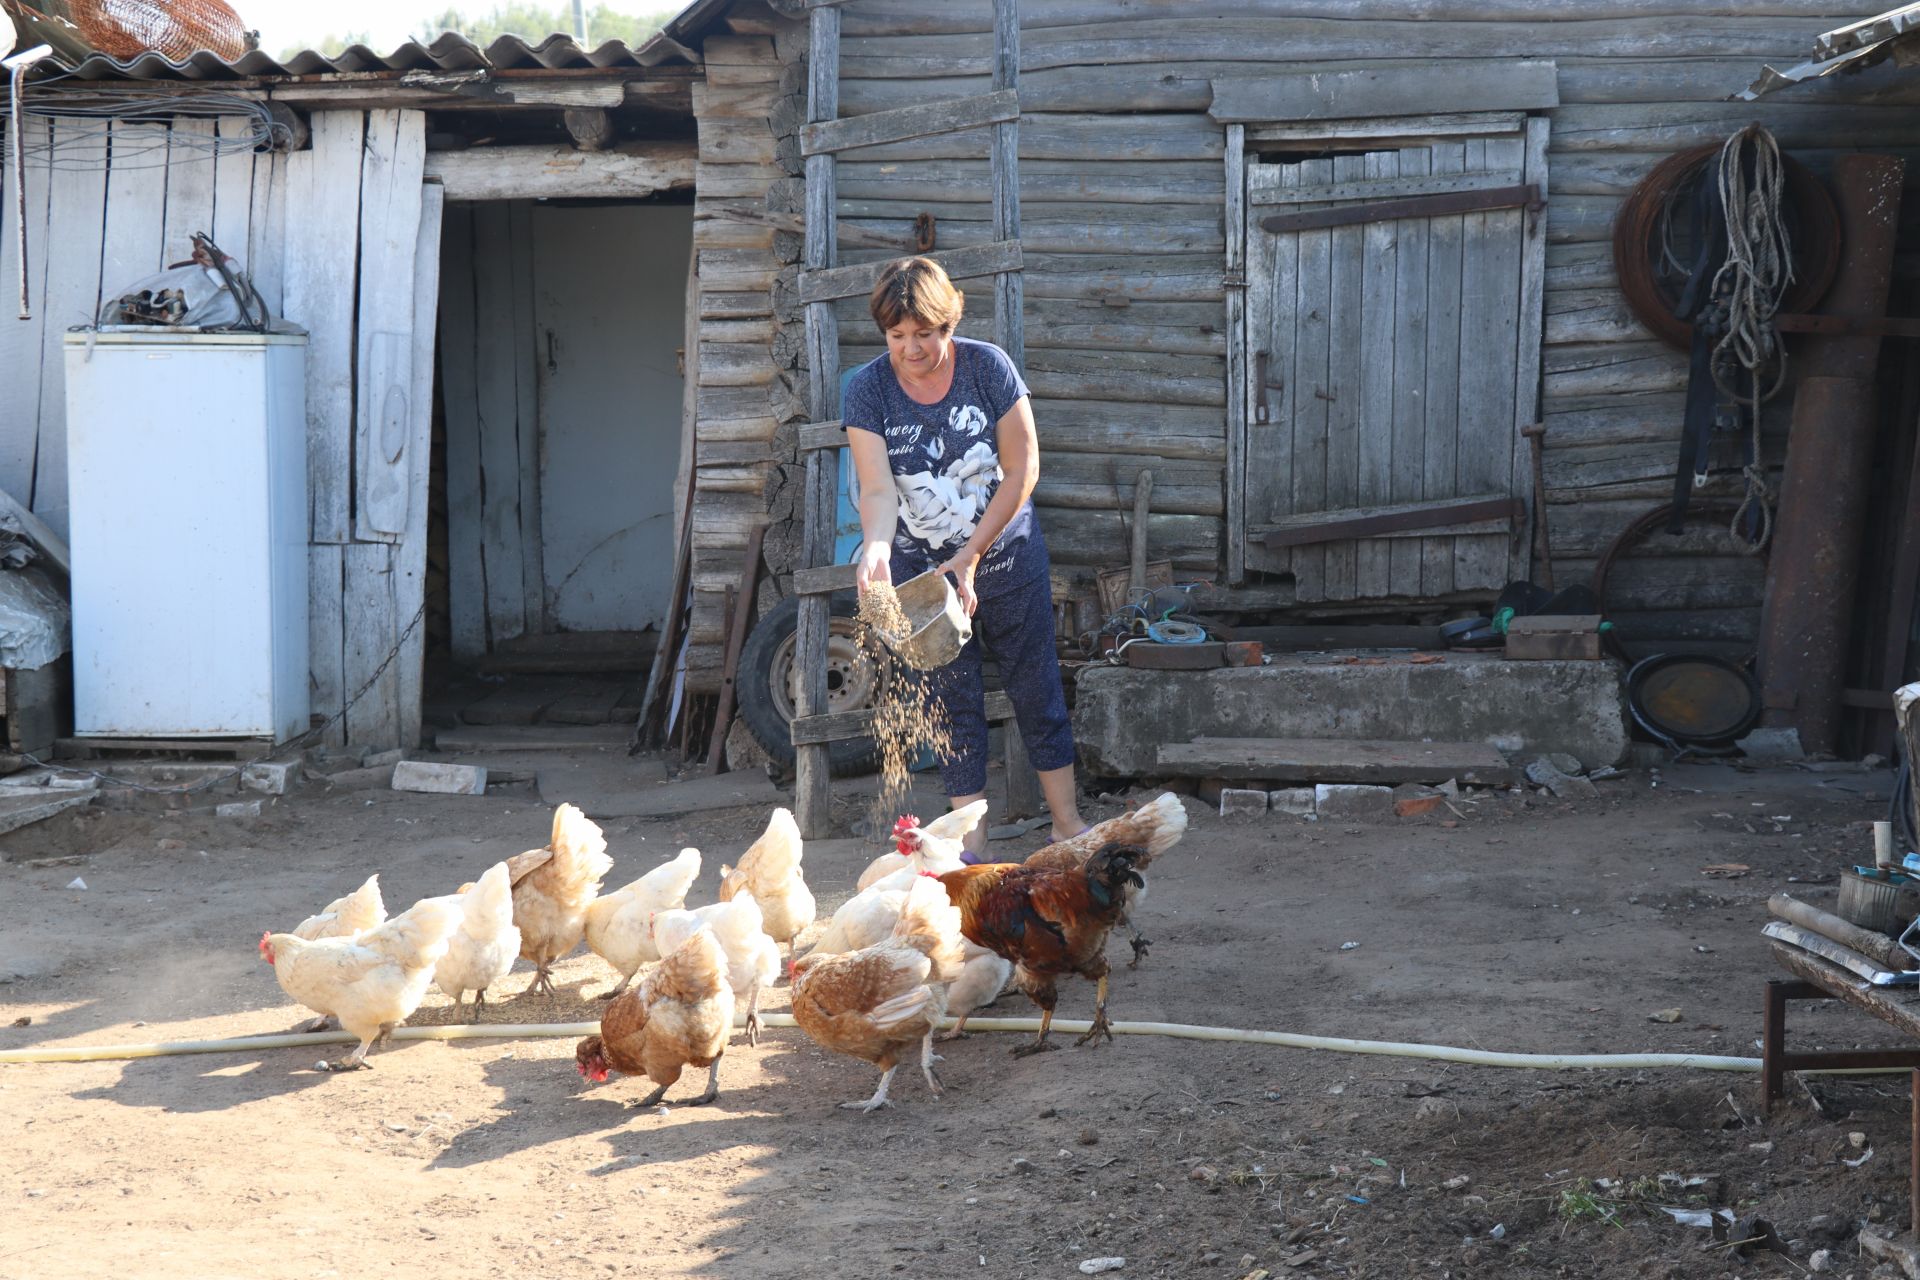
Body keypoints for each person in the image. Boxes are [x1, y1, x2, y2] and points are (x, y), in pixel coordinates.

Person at [842, 257, 1088, 860]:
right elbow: (876, 490)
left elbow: (1024, 467)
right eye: (897, 336)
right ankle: (971, 854)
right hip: (923, 583)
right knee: (952, 707)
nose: (910, 348)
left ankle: (1067, 824)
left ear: (947, 323)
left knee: (1036, 689)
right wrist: (875, 546)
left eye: (923, 333)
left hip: (1006, 561)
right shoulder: (868, 389)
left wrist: (972, 555)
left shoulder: (988, 368)